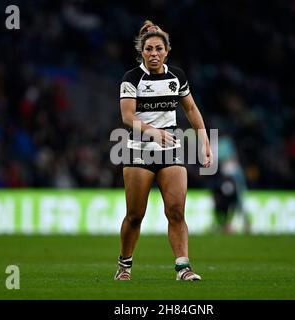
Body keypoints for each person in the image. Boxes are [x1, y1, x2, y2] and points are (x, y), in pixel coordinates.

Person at [114, 20, 212, 281]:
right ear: (141, 52)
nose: (153, 53)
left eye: (158, 48)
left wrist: (203, 138)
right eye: (148, 49)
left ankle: (183, 268)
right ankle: (124, 265)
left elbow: (190, 109)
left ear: (167, 51)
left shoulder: (177, 76)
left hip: (171, 150)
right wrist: (152, 132)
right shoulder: (131, 78)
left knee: (177, 210)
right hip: (139, 151)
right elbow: (127, 116)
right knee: (135, 216)